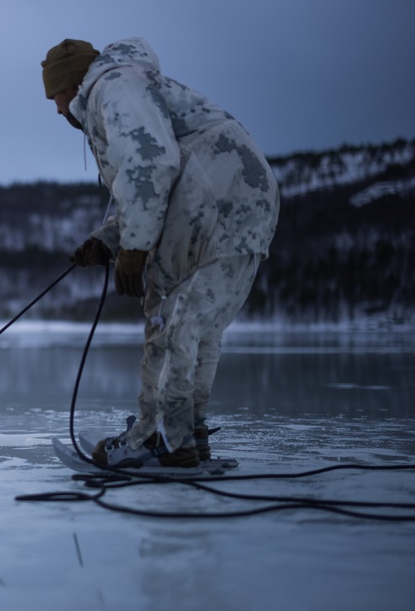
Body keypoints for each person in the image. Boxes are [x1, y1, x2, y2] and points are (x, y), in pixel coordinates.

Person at [41, 37, 279, 468]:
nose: (57, 110)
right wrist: (111, 239)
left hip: (209, 204)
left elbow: (150, 165)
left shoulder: (111, 87)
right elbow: (159, 173)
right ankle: (186, 433)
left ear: (70, 85)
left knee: (168, 319)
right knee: (196, 327)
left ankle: (155, 438)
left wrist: (133, 249)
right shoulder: (129, 84)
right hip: (241, 201)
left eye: (53, 96)